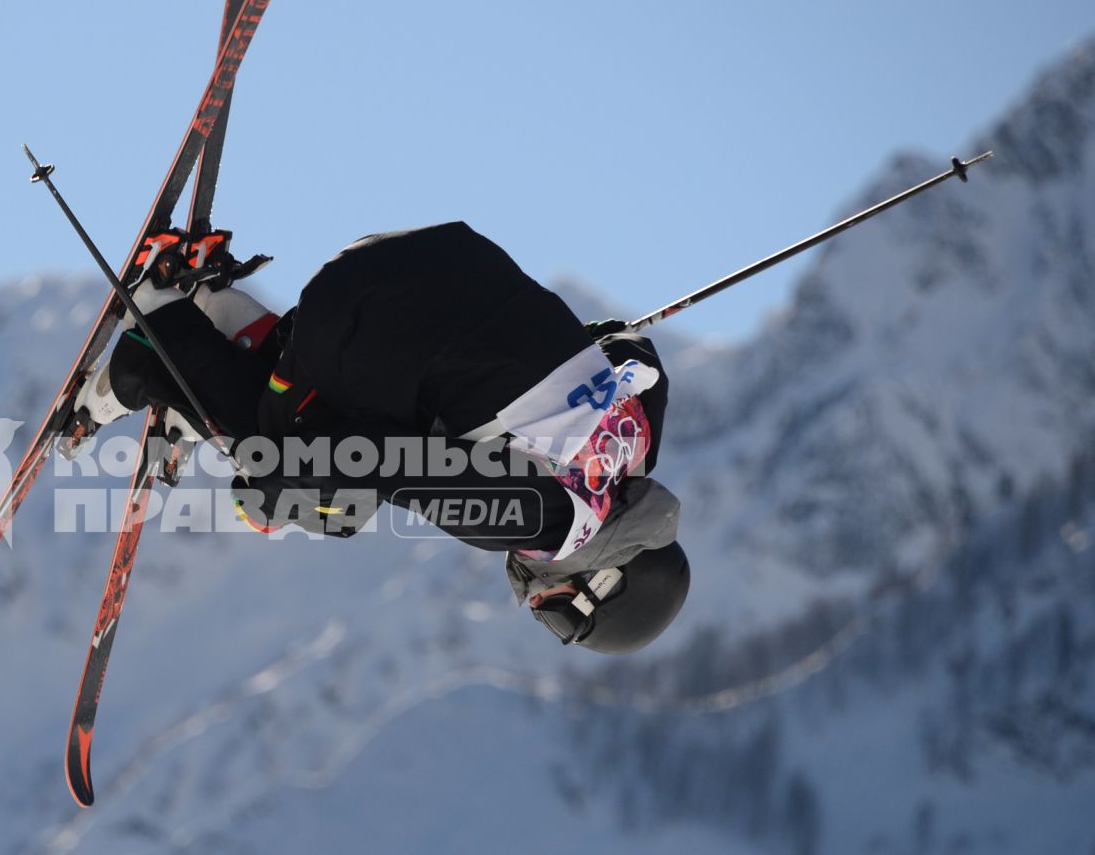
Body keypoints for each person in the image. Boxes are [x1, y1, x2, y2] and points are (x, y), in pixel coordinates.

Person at [72, 221, 690, 653]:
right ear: (600, 581)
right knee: (318, 495)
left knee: (375, 411)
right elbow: (389, 463)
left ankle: (216, 311)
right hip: (356, 311)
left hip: (431, 256)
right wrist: (268, 486)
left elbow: (623, 339)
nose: (532, 604)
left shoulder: (640, 432)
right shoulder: (548, 524)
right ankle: (154, 344)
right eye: (557, 617)